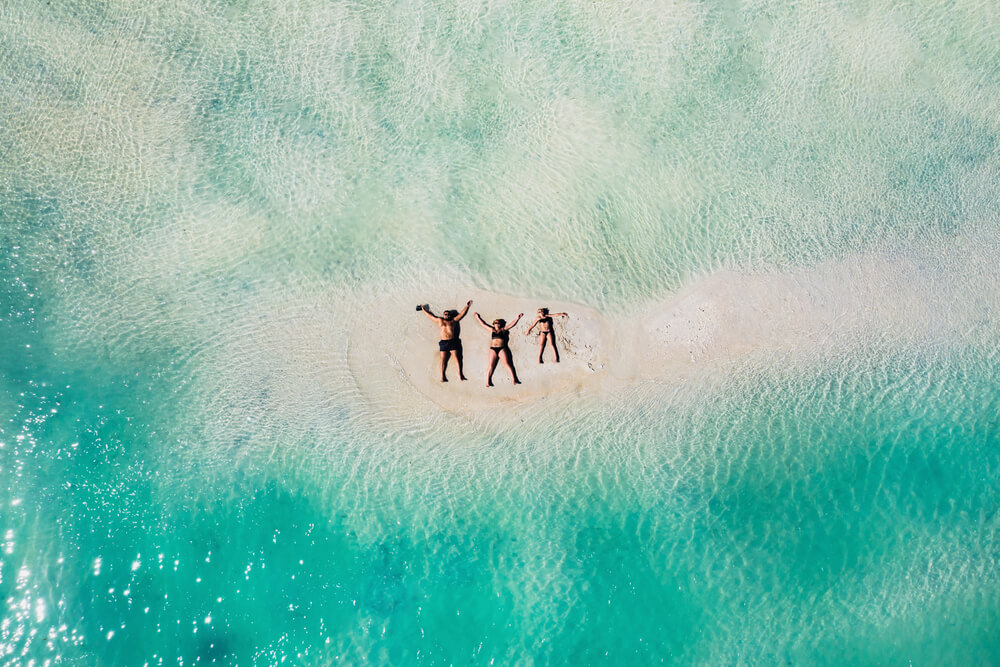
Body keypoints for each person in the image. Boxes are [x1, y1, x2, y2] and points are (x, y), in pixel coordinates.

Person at [420, 301, 471, 382]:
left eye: (448, 314)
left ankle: (460, 374)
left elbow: (461, 314)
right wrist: (424, 310)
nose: (447, 315)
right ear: (443, 315)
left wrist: (467, 306)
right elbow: (431, 316)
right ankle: (442, 376)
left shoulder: (453, 321)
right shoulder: (440, 320)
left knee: (457, 359)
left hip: (452, 342)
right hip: (443, 343)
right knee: (443, 360)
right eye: (445, 314)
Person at [474, 312, 523, 387]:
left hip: (502, 348)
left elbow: (511, 325)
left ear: (500, 324)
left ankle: (514, 379)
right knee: (491, 365)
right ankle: (488, 381)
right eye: (495, 322)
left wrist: (518, 318)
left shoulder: (503, 329)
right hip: (493, 349)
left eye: (498, 322)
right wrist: (477, 317)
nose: (497, 323)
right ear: (494, 324)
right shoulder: (492, 330)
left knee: (507, 364)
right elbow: (483, 324)